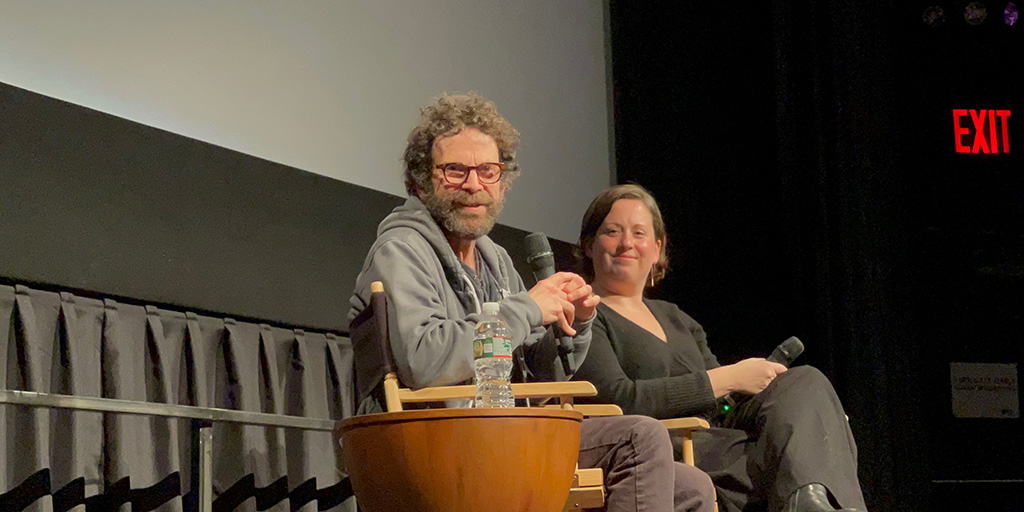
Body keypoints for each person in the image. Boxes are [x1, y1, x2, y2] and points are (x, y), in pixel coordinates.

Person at [348, 93, 715, 512]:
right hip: (436, 440)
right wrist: (526, 309)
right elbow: (425, 362)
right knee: (640, 437)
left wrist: (569, 328)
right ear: (420, 181)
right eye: (454, 170)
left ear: (503, 181)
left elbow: (533, 380)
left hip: (504, 432)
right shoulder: (401, 249)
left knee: (691, 485)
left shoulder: (494, 258)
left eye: (488, 171)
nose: (474, 185)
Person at [573, 184, 868, 512]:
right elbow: (619, 400)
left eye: (639, 233)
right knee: (803, 454)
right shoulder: (585, 314)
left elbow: (723, 404)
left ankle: (808, 501)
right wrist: (729, 378)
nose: (627, 243)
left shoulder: (677, 319)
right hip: (668, 452)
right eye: (613, 231)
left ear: (657, 249)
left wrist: (796, 401)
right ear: (589, 245)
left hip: (724, 443)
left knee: (806, 384)